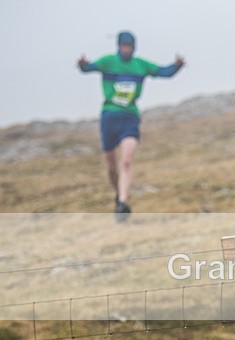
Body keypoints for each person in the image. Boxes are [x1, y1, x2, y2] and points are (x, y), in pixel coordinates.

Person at [77, 31, 185, 221]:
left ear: (134, 47)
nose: (126, 49)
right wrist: (82, 65)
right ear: (118, 46)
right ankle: (118, 195)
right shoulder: (108, 62)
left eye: (130, 46)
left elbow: (163, 72)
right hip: (109, 116)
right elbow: (89, 68)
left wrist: (177, 66)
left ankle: (123, 203)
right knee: (111, 166)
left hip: (130, 117)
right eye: (124, 46)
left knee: (126, 161)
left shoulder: (140, 65)